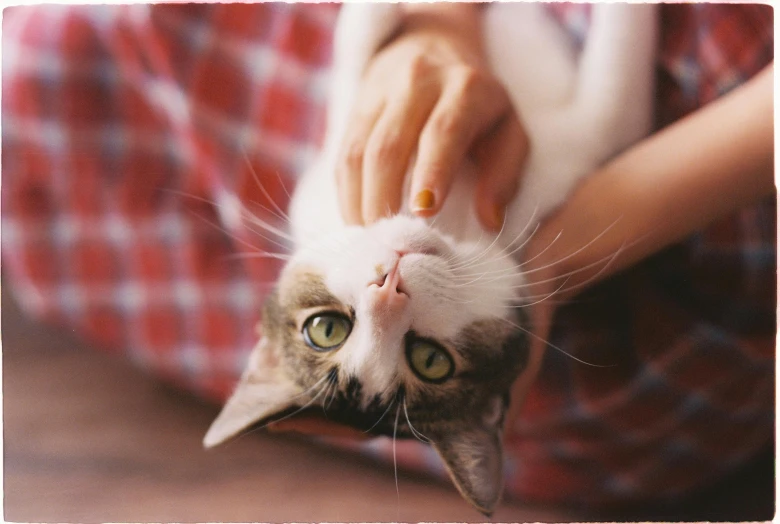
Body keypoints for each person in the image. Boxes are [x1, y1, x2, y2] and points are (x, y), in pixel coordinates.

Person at [2, 2, 773, 509]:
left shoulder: (314, 220)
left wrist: (428, 26)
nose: (383, 299)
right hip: (726, 192)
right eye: (429, 357)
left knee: (49, 66)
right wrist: (557, 258)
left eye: (330, 329)